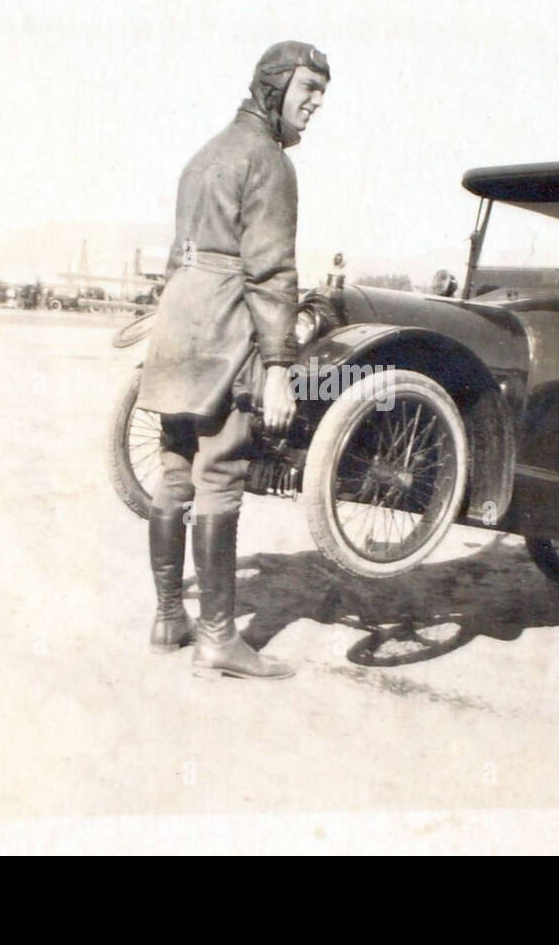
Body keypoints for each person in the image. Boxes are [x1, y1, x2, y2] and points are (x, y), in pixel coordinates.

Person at [135, 41, 330, 679]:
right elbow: (271, 272)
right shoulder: (269, 163)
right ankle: (220, 639)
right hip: (225, 329)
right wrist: (278, 365)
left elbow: (177, 257)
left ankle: (170, 618)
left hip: (179, 324)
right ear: (274, 90)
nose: (316, 105)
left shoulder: (204, 156)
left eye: (321, 93)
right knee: (221, 473)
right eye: (308, 91)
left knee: (174, 471)